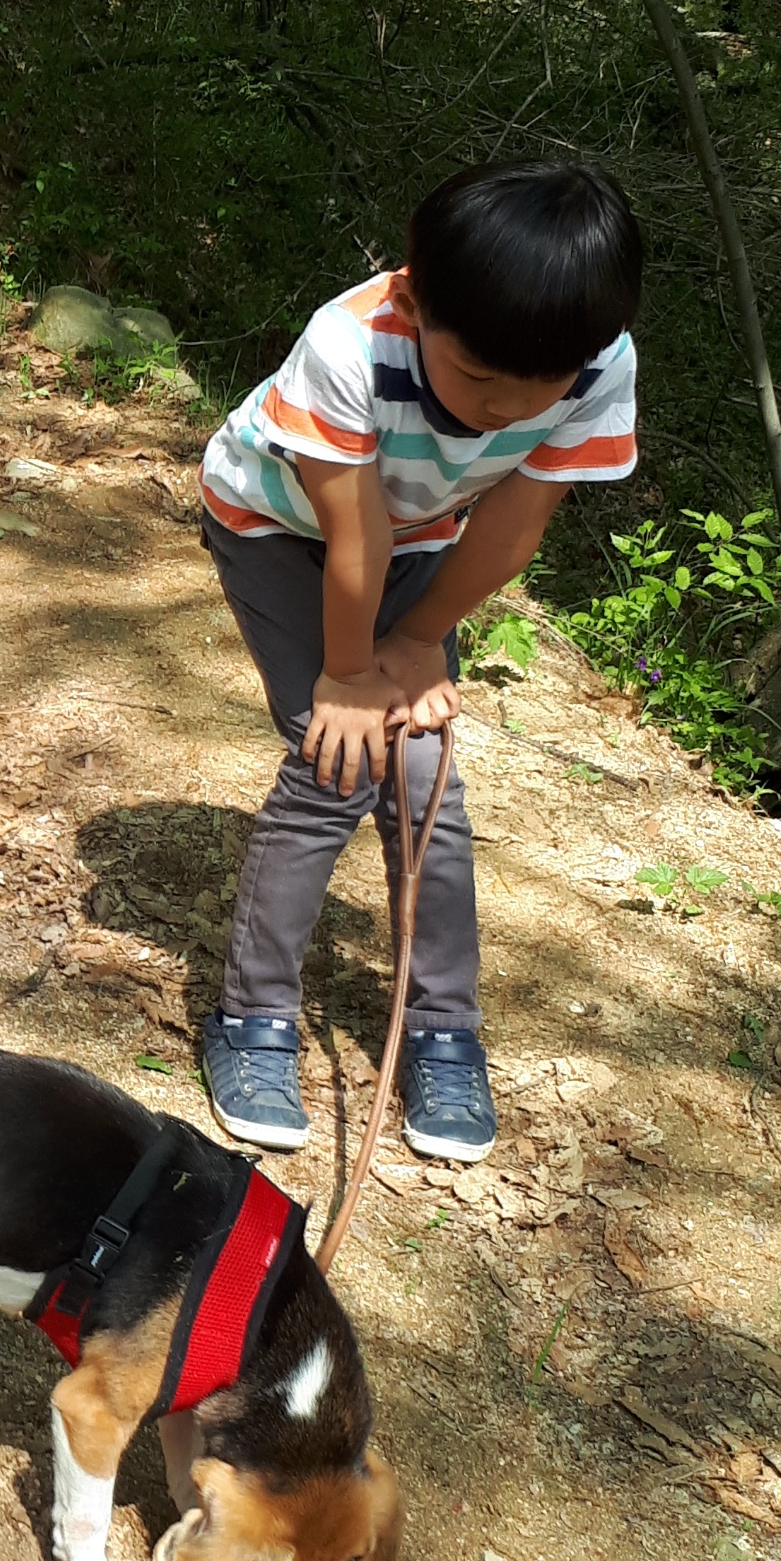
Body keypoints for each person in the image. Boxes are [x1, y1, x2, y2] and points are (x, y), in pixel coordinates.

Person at [196, 162, 642, 1163]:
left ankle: (444, 1029)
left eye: (537, 390)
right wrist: (352, 675)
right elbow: (349, 535)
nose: (504, 408)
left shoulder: (595, 362)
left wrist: (415, 642)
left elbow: (507, 534)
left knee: (425, 768)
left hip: (423, 540)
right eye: (478, 379)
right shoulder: (351, 343)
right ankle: (252, 1014)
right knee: (338, 757)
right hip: (274, 524)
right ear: (413, 297)